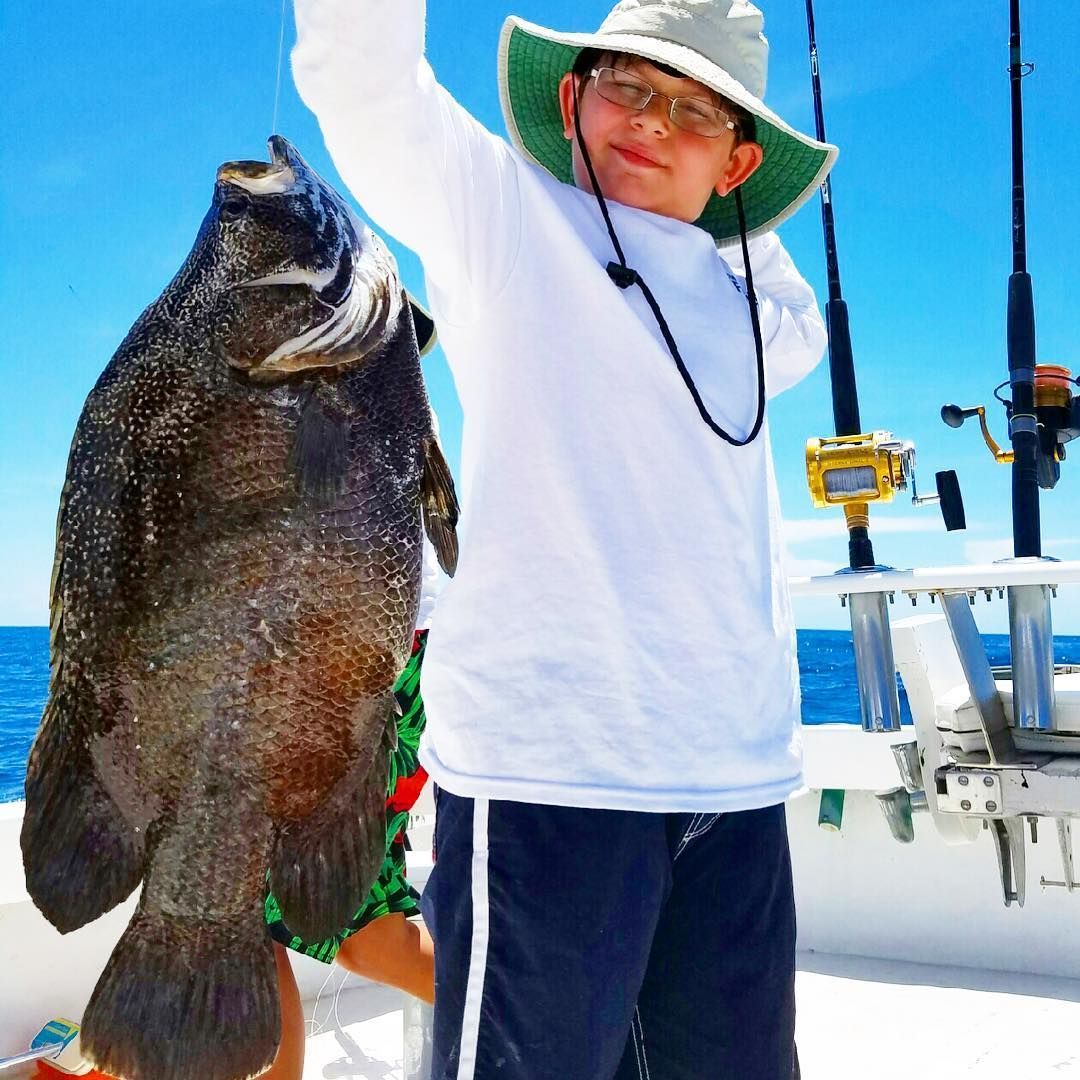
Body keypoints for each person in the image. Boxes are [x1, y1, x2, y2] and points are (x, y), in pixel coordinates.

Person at [290, 0, 836, 1076]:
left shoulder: (755, 306)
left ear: (738, 167)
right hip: (552, 778)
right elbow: (367, 89)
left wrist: (734, 207)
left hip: (738, 781)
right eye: (627, 86)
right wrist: (714, 158)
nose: (651, 121)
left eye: (693, 110)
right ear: (568, 98)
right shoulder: (505, 215)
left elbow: (801, 331)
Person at [259, 550, 443, 1080]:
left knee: (233, 896)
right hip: (341, 653)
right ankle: (559, 1013)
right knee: (369, 941)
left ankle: (567, 1019)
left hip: (363, 655)